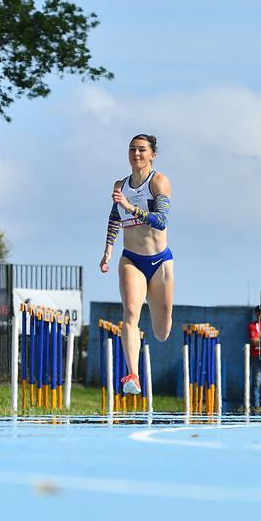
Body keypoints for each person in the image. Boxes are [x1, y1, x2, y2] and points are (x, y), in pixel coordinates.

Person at [99, 134, 174, 395]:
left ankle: (157, 332)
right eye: (132, 149)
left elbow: (161, 220)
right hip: (131, 258)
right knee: (130, 312)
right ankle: (133, 375)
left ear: (152, 154)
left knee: (162, 331)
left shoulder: (159, 182)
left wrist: (132, 207)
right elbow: (114, 216)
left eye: (142, 150)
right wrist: (108, 249)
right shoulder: (121, 184)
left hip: (160, 262)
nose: (136, 154)